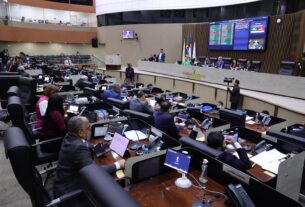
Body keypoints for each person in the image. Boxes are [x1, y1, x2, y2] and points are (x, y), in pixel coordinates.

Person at [53, 116, 125, 207]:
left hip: (62, 183)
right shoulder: (79, 148)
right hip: (70, 193)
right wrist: (118, 164)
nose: (90, 128)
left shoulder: (69, 136)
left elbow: (83, 143)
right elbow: (94, 173)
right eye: (88, 128)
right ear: (80, 132)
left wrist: (96, 147)